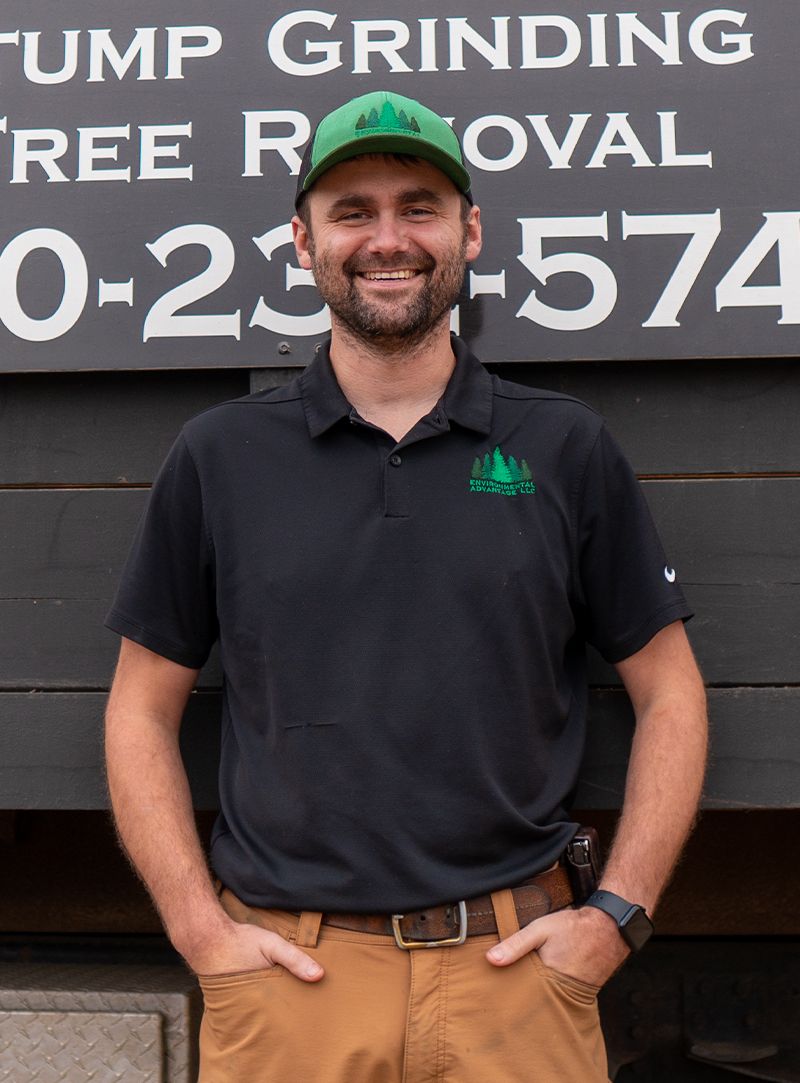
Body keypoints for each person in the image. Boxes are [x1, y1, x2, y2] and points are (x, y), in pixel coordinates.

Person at [104, 89, 707, 1082]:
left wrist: (617, 915)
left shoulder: (560, 446)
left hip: (516, 973)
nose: (388, 239)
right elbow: (139, 708)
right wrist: (198, 930)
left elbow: (669, 691)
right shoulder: (220, 456)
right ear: (303, 242)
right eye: (352, 212)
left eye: (417, 206)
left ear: (468, 233)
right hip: (289, 979)